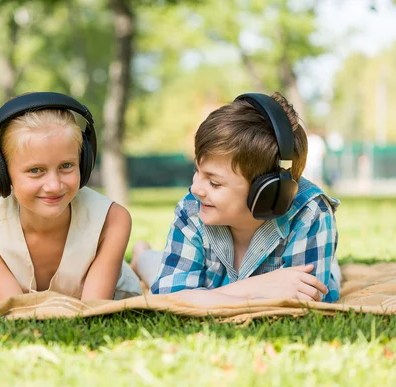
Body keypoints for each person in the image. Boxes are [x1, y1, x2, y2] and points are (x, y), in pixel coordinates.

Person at [130, 92, 341, 305]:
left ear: (269, 193)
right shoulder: (194, 207)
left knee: (333, 275)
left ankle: (334, 266)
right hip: (210, 281)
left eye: (214, 183)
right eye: (197, 170)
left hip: (211, 289)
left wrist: (205, 296)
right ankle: (141, 256)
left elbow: (304, 301)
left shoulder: (311, 213)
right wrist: (254, 287)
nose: (195, 188)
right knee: (152, 267)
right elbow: (170, 298)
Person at [0, 92, 142, 303]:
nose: (54, 185)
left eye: (66, 166)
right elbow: (15, 310)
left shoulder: (113, 220)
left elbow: (93, 309)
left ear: (83, 163)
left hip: (120, 280)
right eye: (36, 170)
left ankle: (141, 256)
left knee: (150, 267)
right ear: (0, 172)